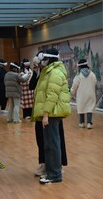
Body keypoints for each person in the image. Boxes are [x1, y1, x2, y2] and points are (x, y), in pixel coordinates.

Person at [32, 48, 71, 184]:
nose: (42, 62)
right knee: (49, 144)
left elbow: (52, 95)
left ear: (49, 59)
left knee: (52, 144)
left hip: (52, 113)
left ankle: (55, 175)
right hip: (51, 113)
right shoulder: (49, 71)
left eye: (43, 59)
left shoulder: (54, 73)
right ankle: (51, 172)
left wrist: (46, 114)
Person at [71, 59, 97, 129]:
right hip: (91, 94)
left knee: (81, 108)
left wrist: (72, 93)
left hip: (81, 96)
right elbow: (95, 82)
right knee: (89, 108)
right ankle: (89, 123)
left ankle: (81, 123)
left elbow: (74, 85)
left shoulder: (78, 75)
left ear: (79, 67)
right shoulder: (92, 74)